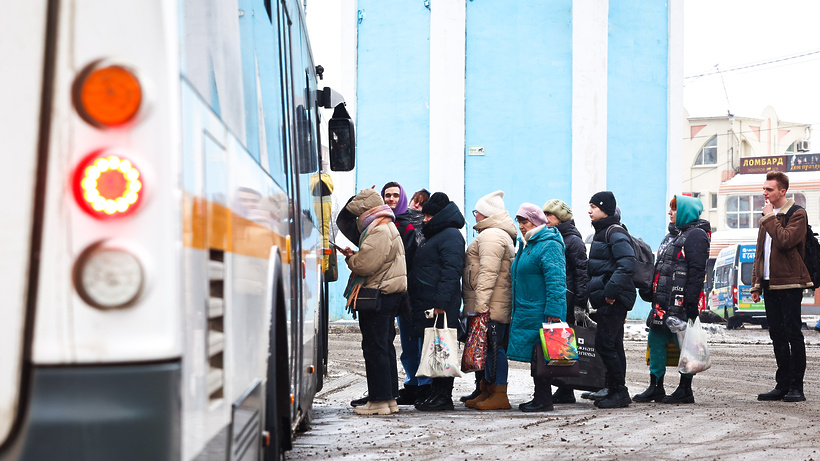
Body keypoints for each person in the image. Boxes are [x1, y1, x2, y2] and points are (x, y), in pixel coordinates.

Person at [634, 195, 710, 404]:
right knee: (656, 338)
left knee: (686, 343)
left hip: (681, 301)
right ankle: (655, 386)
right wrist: (650, 291)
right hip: (662, 301)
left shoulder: (696, 235)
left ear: (686, 212)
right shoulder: (672, 236)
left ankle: (685, 389)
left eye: (674, 209)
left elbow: (696, 272)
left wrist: (692, 302)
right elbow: (662, 267)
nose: (670, 213)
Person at [340, 189, 408, 415]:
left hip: (379, 295)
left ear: (366, 211)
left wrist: (351, 258)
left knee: (375, 348)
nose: (358, 220)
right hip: (388, 294)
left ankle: (379, 400)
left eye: (358, 215)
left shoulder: (378, 230)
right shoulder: (386, 226)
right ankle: (388, 400)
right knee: (383, 347)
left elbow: (366, 265)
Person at [751, 171, 813, 403]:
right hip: (769, 283)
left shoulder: (797, 213)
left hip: (790, 282)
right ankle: (782, 385)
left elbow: (786, 241)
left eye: (769, 189)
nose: (764, 193)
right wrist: (756, 284)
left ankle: (797, 387)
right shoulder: (767, 215)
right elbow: (761, 253)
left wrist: (769, 219)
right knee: (776, 335)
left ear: (782, 191)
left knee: (792, 334)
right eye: (764, 188)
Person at [407, 192, 466, 411]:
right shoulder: (438, 234)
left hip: (441, 304)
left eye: (428, 216)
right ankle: (435, 392)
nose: (424, 220)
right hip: (430, 302)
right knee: (435, 348)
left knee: (443, 348)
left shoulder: (450, 235)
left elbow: (451, 272)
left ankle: (444, 396)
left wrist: (440, 302)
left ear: (439, 215)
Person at [507, 203, 567, 412]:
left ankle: (544, 399)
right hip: (528, 310)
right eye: (520, 222)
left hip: (542, 311)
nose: (521, 226)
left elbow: (556, 281)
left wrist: (554, 312)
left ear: (535, 221)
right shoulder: (529, 244)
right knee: (536, 356)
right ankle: (540, 396)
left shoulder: (548, 244)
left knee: (543, 356)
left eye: (524, 222)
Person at [461, 191, 517, 410]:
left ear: (485, 214)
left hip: (491, 306)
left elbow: (487, 274)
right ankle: (487, 391)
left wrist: (481, 307)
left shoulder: (492, 236)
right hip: (493, 304)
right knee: (489, 348)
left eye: (477, 212)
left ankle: (500, 393)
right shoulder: (495, 234)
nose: (474, 216)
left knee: (495, 348)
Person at [380, 182, 432, 406]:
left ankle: (424, 385)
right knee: (407, 341)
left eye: (395, 196)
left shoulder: (414, 229)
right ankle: (412, 383)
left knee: (419, 340)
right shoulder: (389, 223)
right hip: (399, 292)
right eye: (387, 195)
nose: (416, 208)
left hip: (415, 292)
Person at [587, 191, 636, 409]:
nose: (589, 211)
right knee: (613, 344)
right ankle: (613, 388)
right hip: (610, 298)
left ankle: (620, 391)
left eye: (593, 207)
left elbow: (627, 263)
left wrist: (610, 292)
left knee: (605, 343)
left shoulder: (614, 233)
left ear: (604, 209)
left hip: (614, 299)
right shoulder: (604, 231)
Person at [541, 199, 590, 404]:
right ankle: (562, 386)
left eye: (549, 216)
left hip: (569, 299)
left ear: (560, 218)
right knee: (558, 344)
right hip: (561, 297)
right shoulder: (555, 237)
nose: (545, 220)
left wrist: (579, 302)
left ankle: (566, 388)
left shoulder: (573, 241)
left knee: (564, 344)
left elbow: (581, 274)